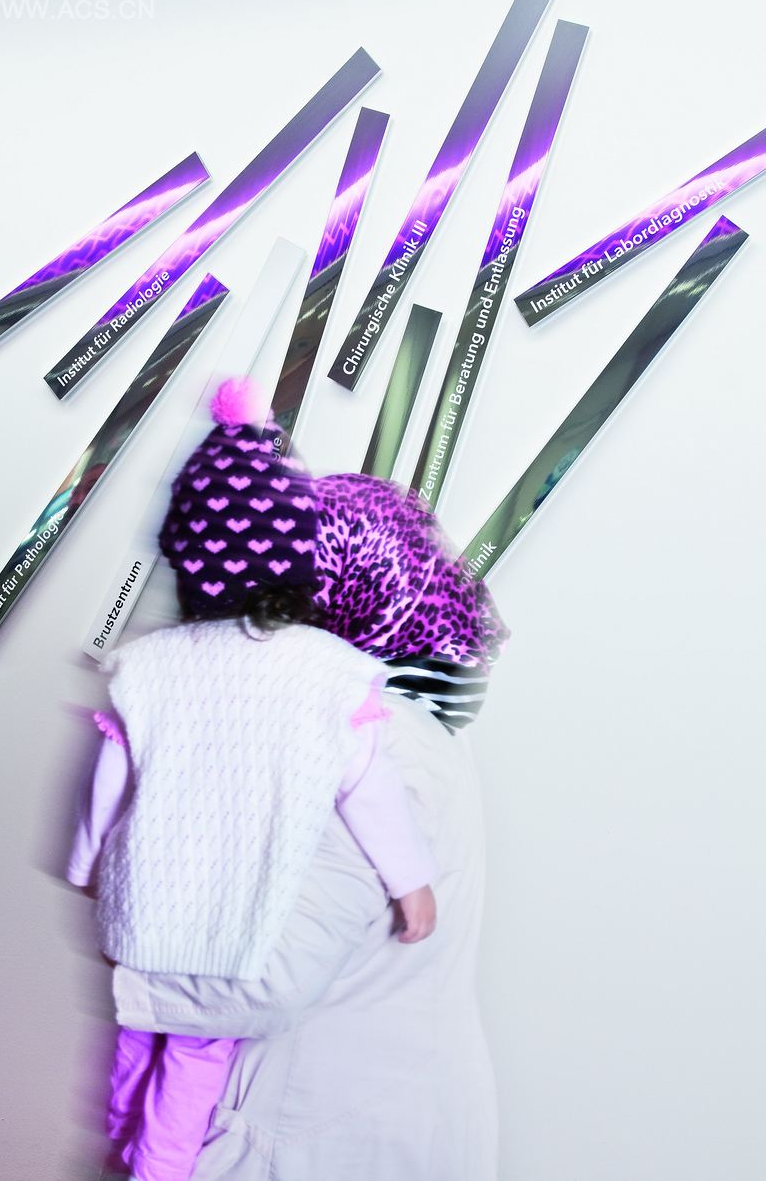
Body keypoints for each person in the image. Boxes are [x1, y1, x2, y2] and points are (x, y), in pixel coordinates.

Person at [67, 378, 440, 1181]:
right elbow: (367, 787)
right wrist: (410, 881)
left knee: (137, 1030)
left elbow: (109, 777)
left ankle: (123, 1143)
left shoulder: (147, 665)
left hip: (145, 904)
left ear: (187, 561)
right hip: (238, 921)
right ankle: (157, 1168)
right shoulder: (330, 673)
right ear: (299, 565)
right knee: (196, 1055)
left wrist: (86, 863)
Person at [99, 461, 512, 1181]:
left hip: (312, 1133)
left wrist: (131, 949)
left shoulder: (360, 739)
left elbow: (265, 980)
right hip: (371, 1120)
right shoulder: (414, 727)